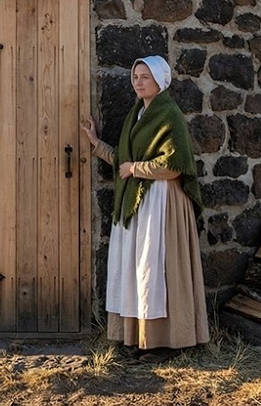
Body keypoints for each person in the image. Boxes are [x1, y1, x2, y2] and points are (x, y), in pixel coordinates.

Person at [81, 55, 209, 363]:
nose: (138, 82)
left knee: (158, 267)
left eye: (145, 77)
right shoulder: (137, 114)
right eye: (135, 77)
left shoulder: (169, 114)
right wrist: (96, 143)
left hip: (162, 201)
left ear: (159, 81)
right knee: (137, 269)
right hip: (139, 201)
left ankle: (167, 341)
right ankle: (139, 338)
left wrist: (135, 168)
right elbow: (123, 160)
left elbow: (175, 165)